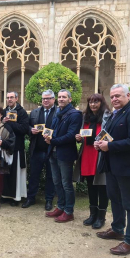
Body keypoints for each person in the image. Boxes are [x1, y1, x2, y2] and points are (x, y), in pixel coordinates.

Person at [95, 84, 130, 256]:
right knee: (115, 199)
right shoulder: (116, 114)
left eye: (118, 96)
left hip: (129, 168)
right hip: (113, 166)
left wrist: (109, 146)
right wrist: (100, 144)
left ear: (128, 95)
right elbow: (108, 136)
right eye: (112, 97)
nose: (114, 99)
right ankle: (118, 229)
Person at [44, 89, 82, 222]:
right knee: (57, 182)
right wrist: (48, 135)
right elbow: (53, 131)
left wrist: (53, 140)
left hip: (65, 154)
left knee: (66, 183)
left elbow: (71, 135)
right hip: (53, 152)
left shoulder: (75, 114)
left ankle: (69, 211)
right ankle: (60, 206)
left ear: (70, 99)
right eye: (59, 97)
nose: (61, 99)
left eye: (64, 97)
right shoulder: (58, 113)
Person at [74, 94, 111, 229]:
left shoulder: (108, 117)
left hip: (100, 155)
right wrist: (78, 137)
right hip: (88, 155)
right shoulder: (86, 118)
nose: (93, 105)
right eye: (90, 102)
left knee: (102, 186)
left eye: (96, 102)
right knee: (91, 186)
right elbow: (83, 135)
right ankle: (92, 214)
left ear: (102, 103)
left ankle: (101, 217)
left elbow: (111, 136)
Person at [23, 89, 56, 211]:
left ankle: (49, 200)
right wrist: (31, 130)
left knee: (50, 176)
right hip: (37, 149)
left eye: (48, 98)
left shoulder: (59, 112)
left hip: (52, 150)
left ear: (53, 99)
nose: (45, 101)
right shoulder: (34, 112)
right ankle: (31, 198)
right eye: (43, 99)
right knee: (34, 175)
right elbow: (27, 126)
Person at [2, 91, 29, 206]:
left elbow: (24, 129)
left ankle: (15, 197)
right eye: (8, 97)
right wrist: (2, 122)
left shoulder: (22, 112)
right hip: (5, 146)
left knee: (15, 173)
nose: (9, 99)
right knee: (5, 172)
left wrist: (10, 123)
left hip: (17, 147)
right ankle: (4, 195)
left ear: (16, 98)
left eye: (12, 97)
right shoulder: (4, 112)